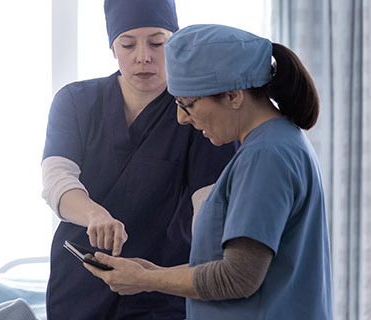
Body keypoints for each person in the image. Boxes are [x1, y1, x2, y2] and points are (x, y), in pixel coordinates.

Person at [83, 24, 332, 319]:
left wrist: (144, 279)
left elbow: (237, 277)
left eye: (187, 104)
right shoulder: (277, 143)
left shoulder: (266, 156)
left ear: (232, 96)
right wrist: (153, 273)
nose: (181, 118)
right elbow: (230, 265)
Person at [41, 0, 235, 318]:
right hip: (79, 281)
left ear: (175, 43)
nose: (143, 56)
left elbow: (209, 208)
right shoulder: (75, 102)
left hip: (161, 288)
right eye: (127, 44)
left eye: (157, 42)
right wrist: (94, 215)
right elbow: (56, 179)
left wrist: (209, 276)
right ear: (112, 47)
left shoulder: (199, 113)